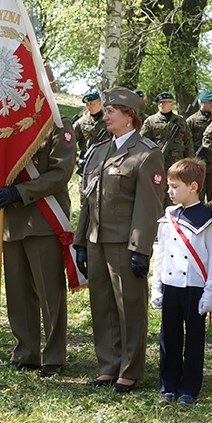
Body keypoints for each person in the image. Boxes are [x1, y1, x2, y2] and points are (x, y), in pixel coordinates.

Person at [74, 87, 165, 393]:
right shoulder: (100, 150)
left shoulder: (146, 153)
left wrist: (141, 249)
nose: (106, 115)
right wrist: (81, 241)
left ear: (131, 117)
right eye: (107, 110)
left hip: (125, 243)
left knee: (129, 307)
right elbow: (89, 199)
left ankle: (130, 370)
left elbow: (148, 205)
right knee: (102, 305)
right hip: (97, 239)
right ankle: (108, 366)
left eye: (113, 110)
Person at [0, 113, 76, 377]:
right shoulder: (6, 123)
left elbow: (60, 173)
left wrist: (20, 192)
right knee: (17, 291)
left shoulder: (58, 124)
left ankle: (53, 356)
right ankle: (25, 352)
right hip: (13, 219)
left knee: (50, 292)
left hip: (43, 219)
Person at [150, 158, 212, 406]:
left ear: (193, 186)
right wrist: (156, 286)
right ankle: (168, 386)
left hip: (195, 289)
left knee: (193, 342)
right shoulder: (169, 216)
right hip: (171, 286)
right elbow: (161, 255)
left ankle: (189, 389)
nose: (169, 191)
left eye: (174, 186)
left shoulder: (208, 220)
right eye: (168, 186)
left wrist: (210, 293)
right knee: (169, 339)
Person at [141, 92, 194, 174]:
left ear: (171, 104)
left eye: (165, 102)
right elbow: (143, 142)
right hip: (157, 162)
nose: (162, 104)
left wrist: (190, 163)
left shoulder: (180, 121)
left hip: (178, 164)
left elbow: (188, 143)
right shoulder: (151, 121)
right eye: (160, 102)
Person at [187, 91, 212, 202]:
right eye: (207, 102)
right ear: (200, 102)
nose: (210, 105)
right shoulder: (192, 120)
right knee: (197, 193)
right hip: (197, 162)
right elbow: (186, 140)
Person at [73, 91, 106, 164]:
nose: (89, 107)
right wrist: (77, 160)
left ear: (99, 103)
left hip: (105, 160)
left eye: (91, 104)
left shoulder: (109, 121)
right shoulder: (81, 122)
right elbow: (69, 143)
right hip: (86, 160)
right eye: (87, 104)